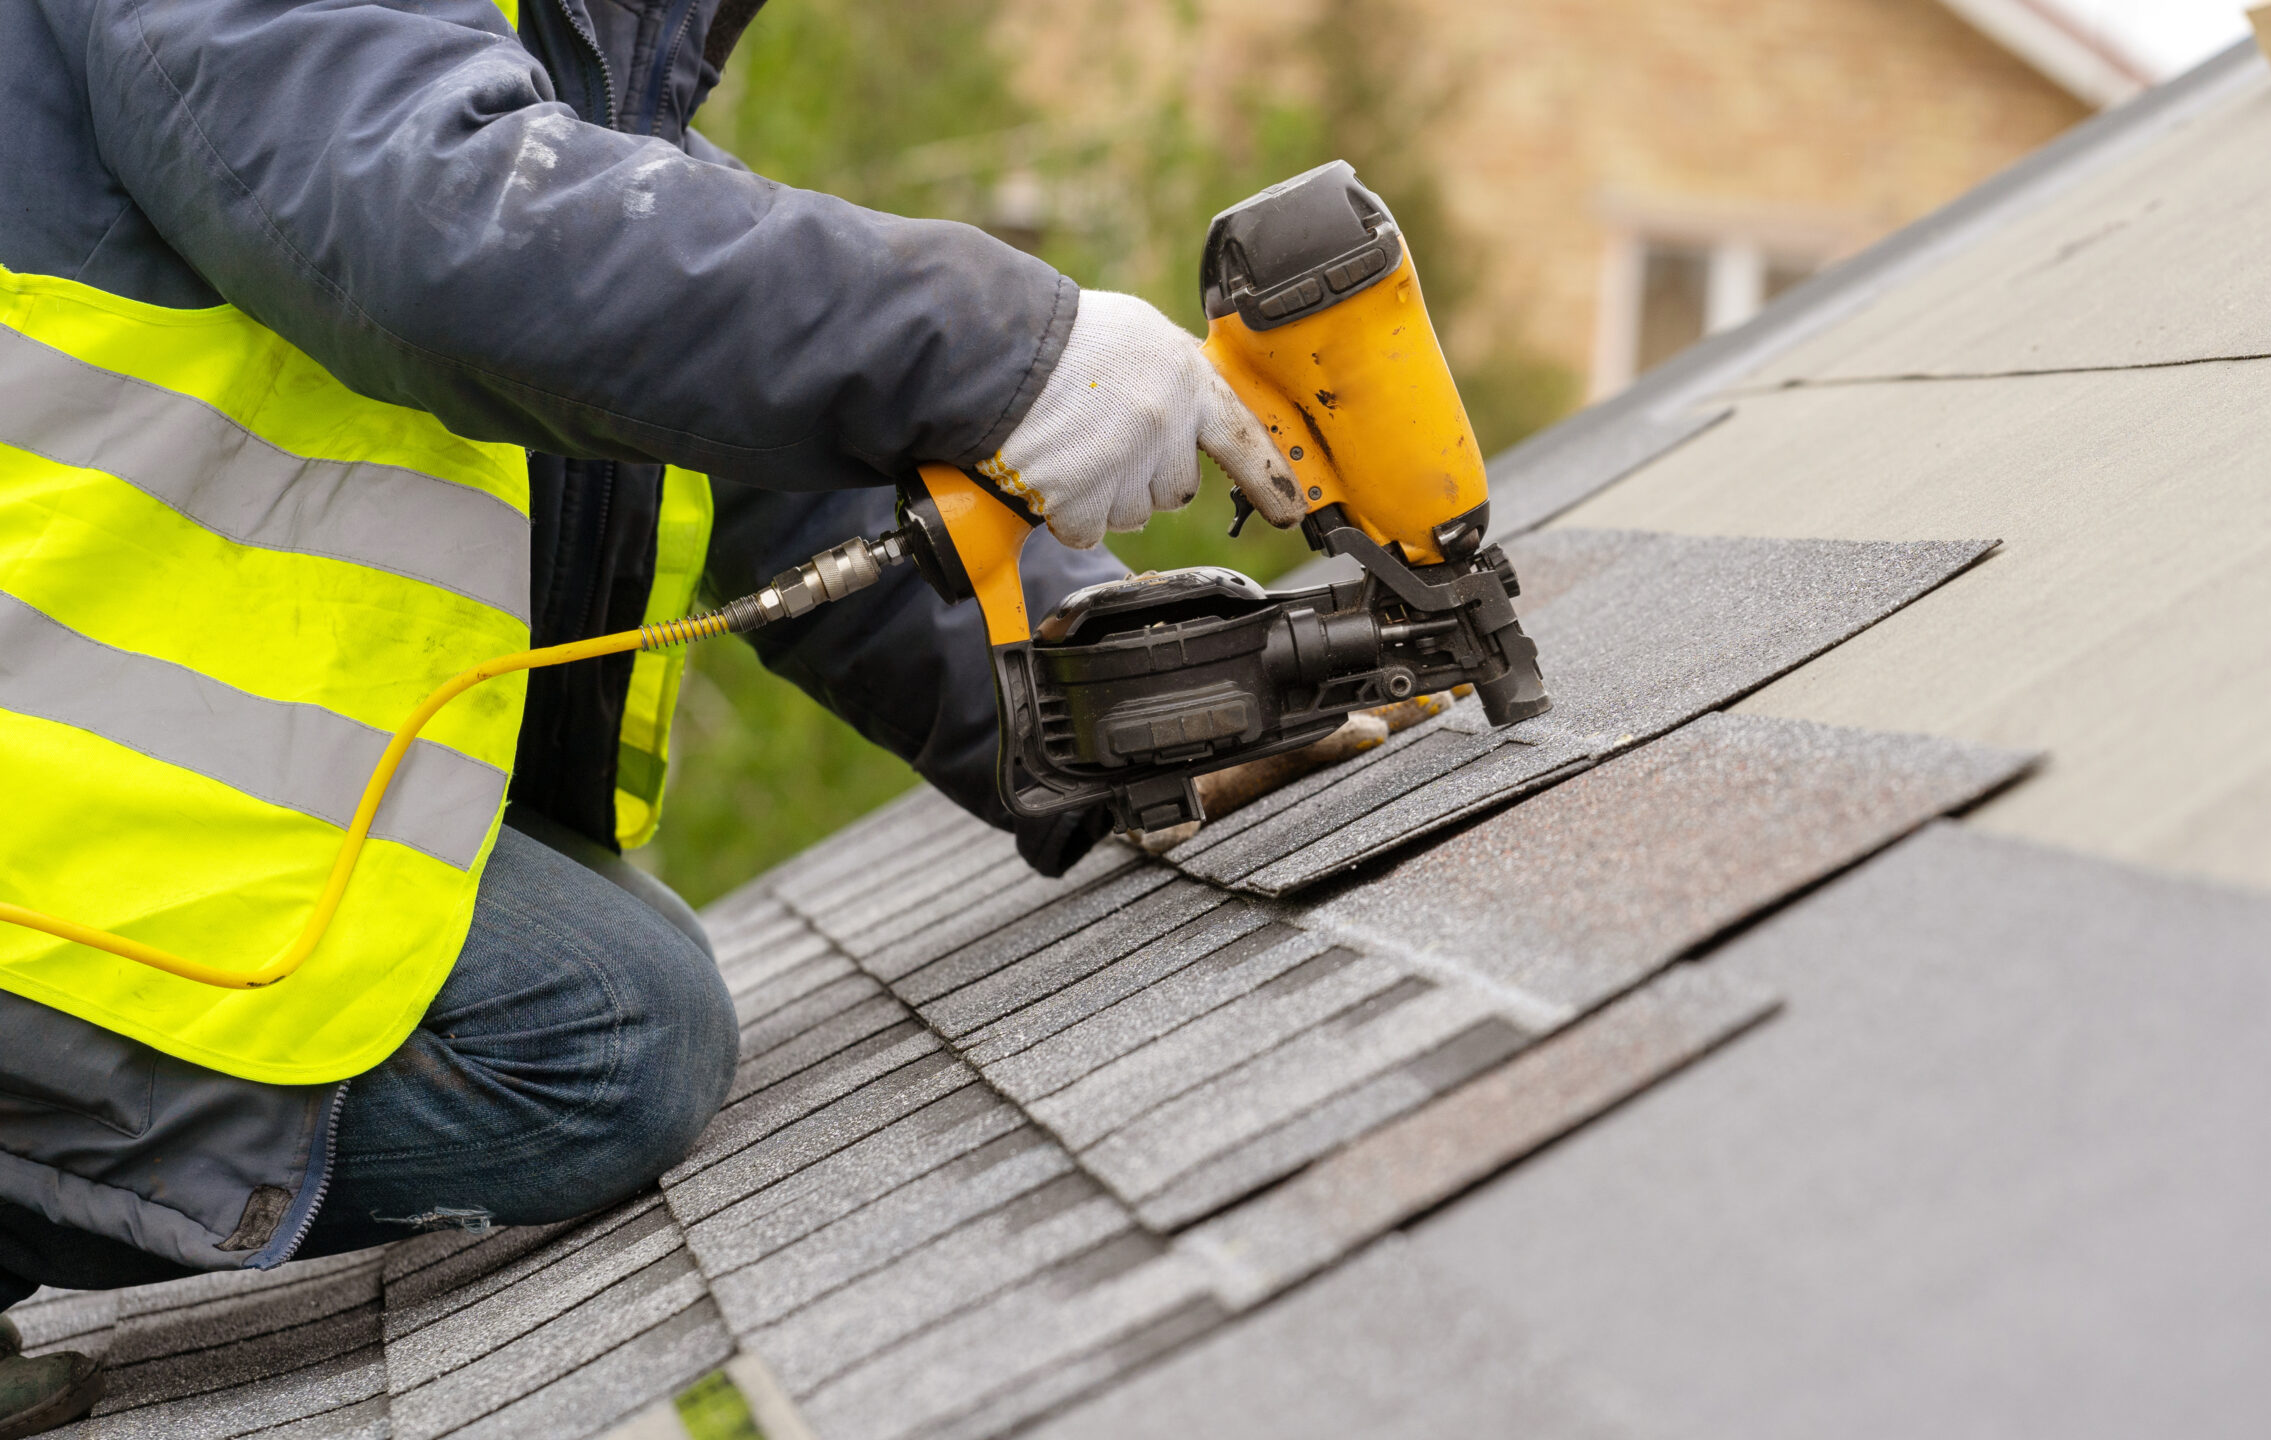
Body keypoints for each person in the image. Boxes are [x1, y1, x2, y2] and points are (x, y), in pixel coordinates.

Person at [0, 0, 1303, 1430]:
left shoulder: (549, 54)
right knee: (601, 1035)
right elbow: (449, 230)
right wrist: (1001, 349)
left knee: (617, 983)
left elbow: (746, 427)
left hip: (83, 808)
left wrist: (1120, 693)